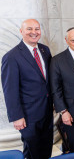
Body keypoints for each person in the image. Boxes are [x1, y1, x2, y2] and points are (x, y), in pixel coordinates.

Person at [1, 19, 53, 159]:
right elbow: (9, 90)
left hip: (47, 112)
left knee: (46, 149)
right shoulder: (11, 57)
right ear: (21, 31)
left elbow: (48, 80)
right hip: (28, 115)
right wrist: (16, 117)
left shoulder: (44, 50)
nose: (34, 32)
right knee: (33, 151)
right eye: (29, 29)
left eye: (37, 29)